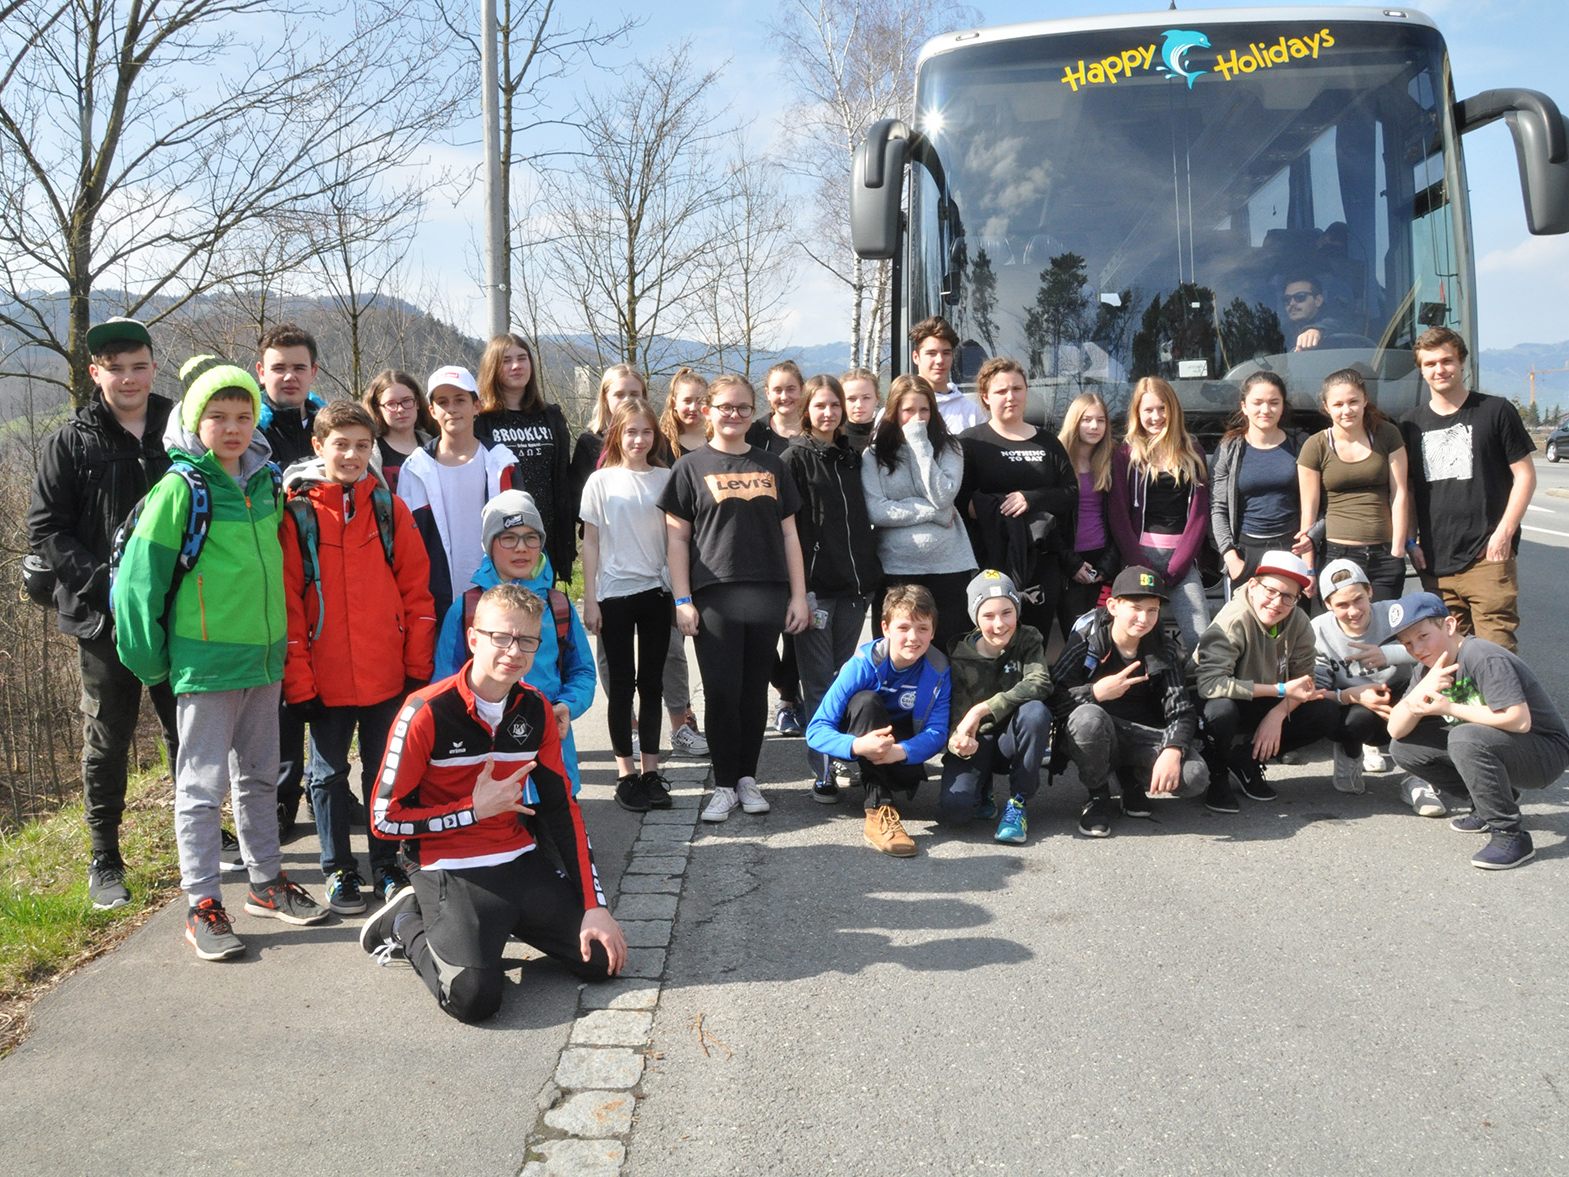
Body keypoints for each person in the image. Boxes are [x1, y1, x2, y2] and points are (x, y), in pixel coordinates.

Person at [113, 355, 326, 960]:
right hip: (203, 666)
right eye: (217, 416)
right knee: (201, 789)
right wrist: (153, 665)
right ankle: (203, 901)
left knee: (260, 779)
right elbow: (137, 588)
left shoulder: (264, 486)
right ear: (193, 420)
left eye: (241, 415)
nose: (231, 428)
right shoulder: (180, 489)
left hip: (262, 662)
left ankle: (265, 883)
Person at [361, 584, 626, 1022]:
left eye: (526, 641)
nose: (513, 651)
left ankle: (503, 924)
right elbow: (383, 821)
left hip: (517, 857)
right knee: (473, 998)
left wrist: (595, 903)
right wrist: (471, 810)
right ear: (473, 638)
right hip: (448, 865)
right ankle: (405, 922)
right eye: (500, 637)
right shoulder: (423, 711)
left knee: (602, 960)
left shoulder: (536, 709)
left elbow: (563, 810)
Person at [26, 316, 180, 910]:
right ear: (96, 374)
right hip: (103, 619)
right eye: (116, 369)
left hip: (175, 613)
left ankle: (195, 829)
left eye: (138, 366)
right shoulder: (73, 440)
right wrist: (106, 586)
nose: (129, 378)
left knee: (184, 731)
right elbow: (47, 528)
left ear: (152, 367)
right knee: (108, 738)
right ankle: (105, 856)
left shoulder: (179, 426)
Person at [280, 400, 436, 913]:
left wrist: (417, 665)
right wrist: (298, 683)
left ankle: (386, 865)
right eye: (340, 444)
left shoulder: (388, 509)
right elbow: (290, 607)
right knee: (324, 775)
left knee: (382, 771)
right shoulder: (298, 514)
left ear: (373, 449)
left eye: (362, 445)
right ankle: (338, 869)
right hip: (324, 678)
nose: (350, 454)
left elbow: (417, 592)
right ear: (318, 446)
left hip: (386, 673)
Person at [661, 374, 810, 822]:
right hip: (715, 597)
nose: (735, 415)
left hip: (767, 593)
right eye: (726, 407)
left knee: (752, 695)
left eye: (744, 407)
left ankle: (748, 778)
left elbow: (790, 535)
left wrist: (799, 595)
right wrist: (682, 598)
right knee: (723, 693)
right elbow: (677, 540)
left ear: (753, 411)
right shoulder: (689, 468)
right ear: (708, 411)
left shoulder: (772, 465)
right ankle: (723, 784)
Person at [1386, 591, 1569, 870]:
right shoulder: (1427, 669)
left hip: (1544, 753)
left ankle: (1511, 835)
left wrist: (1449, 708)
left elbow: (1518, 720)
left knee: (1464, 736)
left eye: (1423, 636)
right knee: (1405, 749)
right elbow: (1395, 730)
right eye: (1408, 643)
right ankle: (1485, 805)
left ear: (1449, 625)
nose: (1417, 648)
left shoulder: (1481, 655)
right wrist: (1420, 691)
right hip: (1504, 745)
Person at [434, 491, 595, 794]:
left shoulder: (558, 605)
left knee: (557, 837)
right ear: (490, 545)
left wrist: (566, 706)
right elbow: (445, 679)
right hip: (485, 758)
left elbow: (582, 671)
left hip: (551, 750)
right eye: (508, 538)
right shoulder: (468, 607)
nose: (521, 548)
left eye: (531, 537)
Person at [1402, 327, 1536, 650]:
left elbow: (1526, 476)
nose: (1439, 370)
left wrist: (1504, 534)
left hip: (1487, 556)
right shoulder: (1410, 424)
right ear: (1421, 370)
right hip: (1435, 562)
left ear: (1462, 363)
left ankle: (1505, 703)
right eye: (1430, 364)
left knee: (1496, 653)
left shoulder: (1496, 410)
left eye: (1447, 360)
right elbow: (1406, 492)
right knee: (1449, 654)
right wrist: (1410, 541)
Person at [782, 374, 882, 802]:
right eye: (820, 405)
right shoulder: (794, 458)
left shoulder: (853, 456)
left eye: (834, 406)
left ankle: (847, 756)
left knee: (849, 678)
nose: (828, 413)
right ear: (807, 409)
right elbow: (789, 532)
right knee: (819, 681)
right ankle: (823, 768)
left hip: (855, 588)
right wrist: (798, 592)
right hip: (817, 590)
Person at [1052, 565, 1209, 834]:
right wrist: (1095, 693)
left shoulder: (1165, 650)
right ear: (1113, 606)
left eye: (1152, 610)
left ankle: (1132, 779)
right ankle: (1097, 796)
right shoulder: (1085, 641)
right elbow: (1052, 699)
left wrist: (1172, 750)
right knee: (1089, 718)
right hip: (1098, 732)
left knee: (1194, 776)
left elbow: (1181, 710)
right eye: (1135, 608)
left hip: (1141, 735)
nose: (1143, 618)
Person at [579, 398, 675, 813]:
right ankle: (626, 773)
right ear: (617, 434)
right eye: (631, 431)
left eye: (647, 432)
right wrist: (591, 598)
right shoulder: (600, 482)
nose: (639, 439)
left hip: (657, 592)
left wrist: (680, 594)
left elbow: (677, 541)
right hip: (614, 595)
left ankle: (651, 770)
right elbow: (591, 542)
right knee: (621, 687)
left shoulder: (667, 478)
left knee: (652, 684)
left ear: (656, 436)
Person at [805, 585, 952, 857]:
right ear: (885, 628)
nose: (913, 637)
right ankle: (878, 809)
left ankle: (885, 782)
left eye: (922, 628)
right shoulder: (863, 663)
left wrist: (901, 752)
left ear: (933, 631)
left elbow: (937, 732)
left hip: (899, 753)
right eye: (903, 627)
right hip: (858, 746)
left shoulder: (939, 669)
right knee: (866, 701)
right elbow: (816, 730)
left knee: (936, 794)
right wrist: (857, 746)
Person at [1192, 550, 1340, 811]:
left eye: (1287, 596)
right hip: (1211, 697)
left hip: (1261, 694)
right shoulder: (1233, 620)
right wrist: (1280, 689)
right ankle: (1217, 773)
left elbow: (1305, 682)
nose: (1276, 602)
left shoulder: (1299, 622)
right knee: (1221, 711)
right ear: (1253, 585)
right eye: (1270, 590)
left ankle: (1246, 760)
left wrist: (1278, 714)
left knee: (1325, 712)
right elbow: (1209, 684)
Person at [256, 324, 324, 839]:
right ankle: (282, 796)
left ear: (313, 372)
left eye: (298, 366)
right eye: (279, 367)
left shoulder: (328, 426)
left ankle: (328, 784)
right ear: (262, 373)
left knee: (326, 688)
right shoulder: (249, 432)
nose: (289, 376)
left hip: (326, 581)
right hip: (266, 582)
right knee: (280, 699)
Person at [959, 356, 1077, 638]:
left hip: (1042, 559)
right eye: (1001, 391)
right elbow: (959, 501)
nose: (1010, 396)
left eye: (1017, 389)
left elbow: (1071, 493)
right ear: (986, 397)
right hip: (988, 559)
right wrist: (990, 509)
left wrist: (1031, 499)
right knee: (992, 641)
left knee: (1036, 638)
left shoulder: (1048, 442)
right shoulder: (970, 442)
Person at [1309, 559, 1438, 813]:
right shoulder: (1318, 631)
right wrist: (1350, 696)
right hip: (1355, 703)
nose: (1353, 611)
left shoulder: (1395, 614)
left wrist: (1388, 655)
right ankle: (1351, 750)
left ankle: (1419, 778)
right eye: (1342, 605)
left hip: (1400, 692)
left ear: (1370, 591)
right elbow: (1316, 690)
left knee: (1430, 691)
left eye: (1358, 599)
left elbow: (1439, 647)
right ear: (1328, 605)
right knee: (1349, 719)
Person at [862, 374, 977, 657]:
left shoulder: (950, 448)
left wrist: (920, 444)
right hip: (897, 569)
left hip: (950, 568)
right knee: (897, 652)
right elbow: (878, 510)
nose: (917, 418)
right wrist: (933, 513)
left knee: (947, 651)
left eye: (924, 410)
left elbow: (943, 496)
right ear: (894, 412)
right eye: (908, 410)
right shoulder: (874, 455)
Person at [938, 571, 1052, 844]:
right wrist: (959, 743)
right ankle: (982, 785)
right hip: (979, 741)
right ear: (975, 618)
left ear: (1017, 611)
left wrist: (981, 710)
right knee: (957, 812)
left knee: (1036, 711)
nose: (999, 624)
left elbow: (1040, 682)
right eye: (988, 616)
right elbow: (955, 720)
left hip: (1012, 738)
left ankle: (1018, 802)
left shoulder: (1028, 638)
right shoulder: (958, 655)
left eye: (1007, 612)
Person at [397, 365, 518, 621]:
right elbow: (407, 541)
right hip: (436, 603)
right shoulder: (415, 468)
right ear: (431, 411)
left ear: (477, 406)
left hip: (497, 598)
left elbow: (519, 532)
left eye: (460, 400)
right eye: (442, 402)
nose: (451, 408)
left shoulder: (502, 462)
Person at [1107, 376, 1211, 649]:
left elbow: (1200, 514)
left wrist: (1178, 567)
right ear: (1137, 414)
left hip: (1182, 561)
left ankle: (1204, 689)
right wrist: (1139, 562)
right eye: (1148, 410)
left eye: (1162, 408)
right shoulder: (1126, 453)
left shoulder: (1193, 450)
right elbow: (1117, 512)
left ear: (1173, 409)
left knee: (1201, 638)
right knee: (1137, 638)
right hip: (1139, 558)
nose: (1156, 417)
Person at [1295, 368, 1410, 601]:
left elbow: (1400, 494)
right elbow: (1308, 511)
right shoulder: (1315, 445)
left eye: (1353, 402)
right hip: (1338, 556)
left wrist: (1398, 550)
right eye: (1338, 405)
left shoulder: (1387, 434)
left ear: (1365, 400)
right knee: (1345, 632)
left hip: (1385, 555)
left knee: (1386, 631)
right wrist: (1309, 569)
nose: (1346, 410)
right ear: (1326, 407)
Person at [475, 332, 576, 584]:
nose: (516, 366)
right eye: (506, 360)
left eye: (522, 358)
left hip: (545, 535)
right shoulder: (482, 422)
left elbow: (563, 479)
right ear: (493, 367)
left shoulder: (551, 417)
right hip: (504, 537)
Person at [747, 362, 808, 735]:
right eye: (777, 390)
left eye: (791, 389)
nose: (784, 397)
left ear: (802, 390)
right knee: (764, 626)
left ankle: (788, 701)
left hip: (807, 541)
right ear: (767, 395)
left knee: (799, 630)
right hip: (763, 543)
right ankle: (782, 684)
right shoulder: (755, 434)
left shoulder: (815, 430)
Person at [653, 368, 712, 759]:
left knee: (712, 646)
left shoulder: (719, 440)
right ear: (672, 402)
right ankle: (680, 722)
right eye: (684, 399)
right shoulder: (660, 445)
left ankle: (717, 717)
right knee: (671, 648)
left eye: (698, 399)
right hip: (667, 556)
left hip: (710, 559)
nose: (692, 407)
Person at [1210, 372, 1312, 594]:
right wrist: (1230, 556)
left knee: (1289, 624)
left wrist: (1310, 547)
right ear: (1244, 406)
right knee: (1245, 627)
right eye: (1257, 403)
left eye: (1274, 403)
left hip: (1291, 550)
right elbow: (1218, 507)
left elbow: (1318, 502)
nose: (1265, 410)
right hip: (1245, 553)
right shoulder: (1230, 448)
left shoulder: (1301, 444)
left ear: (1283, 406)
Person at [1055, 391, 1120, 638]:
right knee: (1078, 639)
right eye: (1086, 419)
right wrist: (1072, 564)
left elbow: (1122, 518)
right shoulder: (1056, 460)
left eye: (1101, 420)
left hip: (1104, 562)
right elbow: (1049, 524)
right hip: (1068, 564)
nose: (1094, 426)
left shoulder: (1113, 460)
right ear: (1074, 422)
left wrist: (1107, 565)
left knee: (1105, 638)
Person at [569, 364, 653, 516]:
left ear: (644, 398)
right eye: (619, 394)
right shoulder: (589, 442)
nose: (627, 400)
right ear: (605, 398)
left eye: (634, 394)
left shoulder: (652, 440)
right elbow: (577, 499)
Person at [361, 368, 435, 494]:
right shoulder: (370, 455)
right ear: (378, 409)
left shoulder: (435, 446)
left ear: (417, 403)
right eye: (391, 404)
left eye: (406, 401)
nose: (400, 409)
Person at [910, 315, 985, 433]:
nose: (940, 360)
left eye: (946, 353)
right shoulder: (897, 409)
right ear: (916, 357)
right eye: (931, 353)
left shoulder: (972, 413)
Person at [1282, 275, 1352, 351]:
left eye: (1300, 297)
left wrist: (1316, 329)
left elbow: (1340, 322)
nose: (1292, 303)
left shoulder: (1338, 319)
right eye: (1287, 300)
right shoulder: (1281, 333)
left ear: (1318, 300)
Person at [840, 367, 880, 453]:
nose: (859, 405)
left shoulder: (888, 437)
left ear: (877, 399)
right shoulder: (834, 438)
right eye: (851, 398)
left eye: (866, 398)